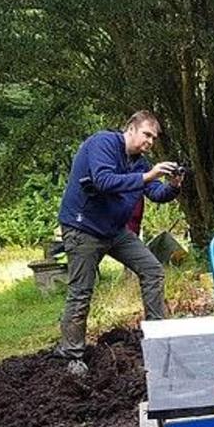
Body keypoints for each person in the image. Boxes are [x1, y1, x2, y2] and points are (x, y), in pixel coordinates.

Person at [56, 110, 183, 377]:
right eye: (147, 134)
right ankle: (72, 356)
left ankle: (157, 337)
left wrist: (173, 186)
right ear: (131, 129)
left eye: (154, 138)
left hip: (115, 231)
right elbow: (103, 180)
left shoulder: (139, 163)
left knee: (152, 270)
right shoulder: (103, 143)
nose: (150, 141)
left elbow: (156, 193)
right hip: (83, 228)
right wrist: (149, 175)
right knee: (81, 292)